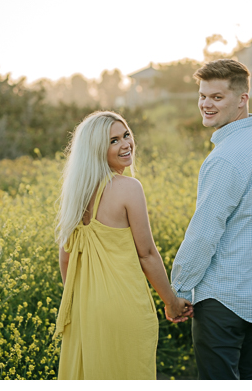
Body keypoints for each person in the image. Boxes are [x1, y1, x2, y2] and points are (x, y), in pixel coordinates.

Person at [171, 59, 252, 380]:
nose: (206, 105)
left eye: (217, 97)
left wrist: (179, 289)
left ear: (242, 99)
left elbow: (204, 234)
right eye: (202, 96)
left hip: (224, 298)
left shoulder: (225, 158)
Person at [55, 111, 191, 379]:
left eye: (126, 135)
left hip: (85, 311)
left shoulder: (75, 194)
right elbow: (148, 255)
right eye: (113, 140)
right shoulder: (128, 188)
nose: (126, 144)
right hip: (125, 306)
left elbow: (66, 259)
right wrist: (171, 302)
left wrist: (85, 299)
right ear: (96, 150)